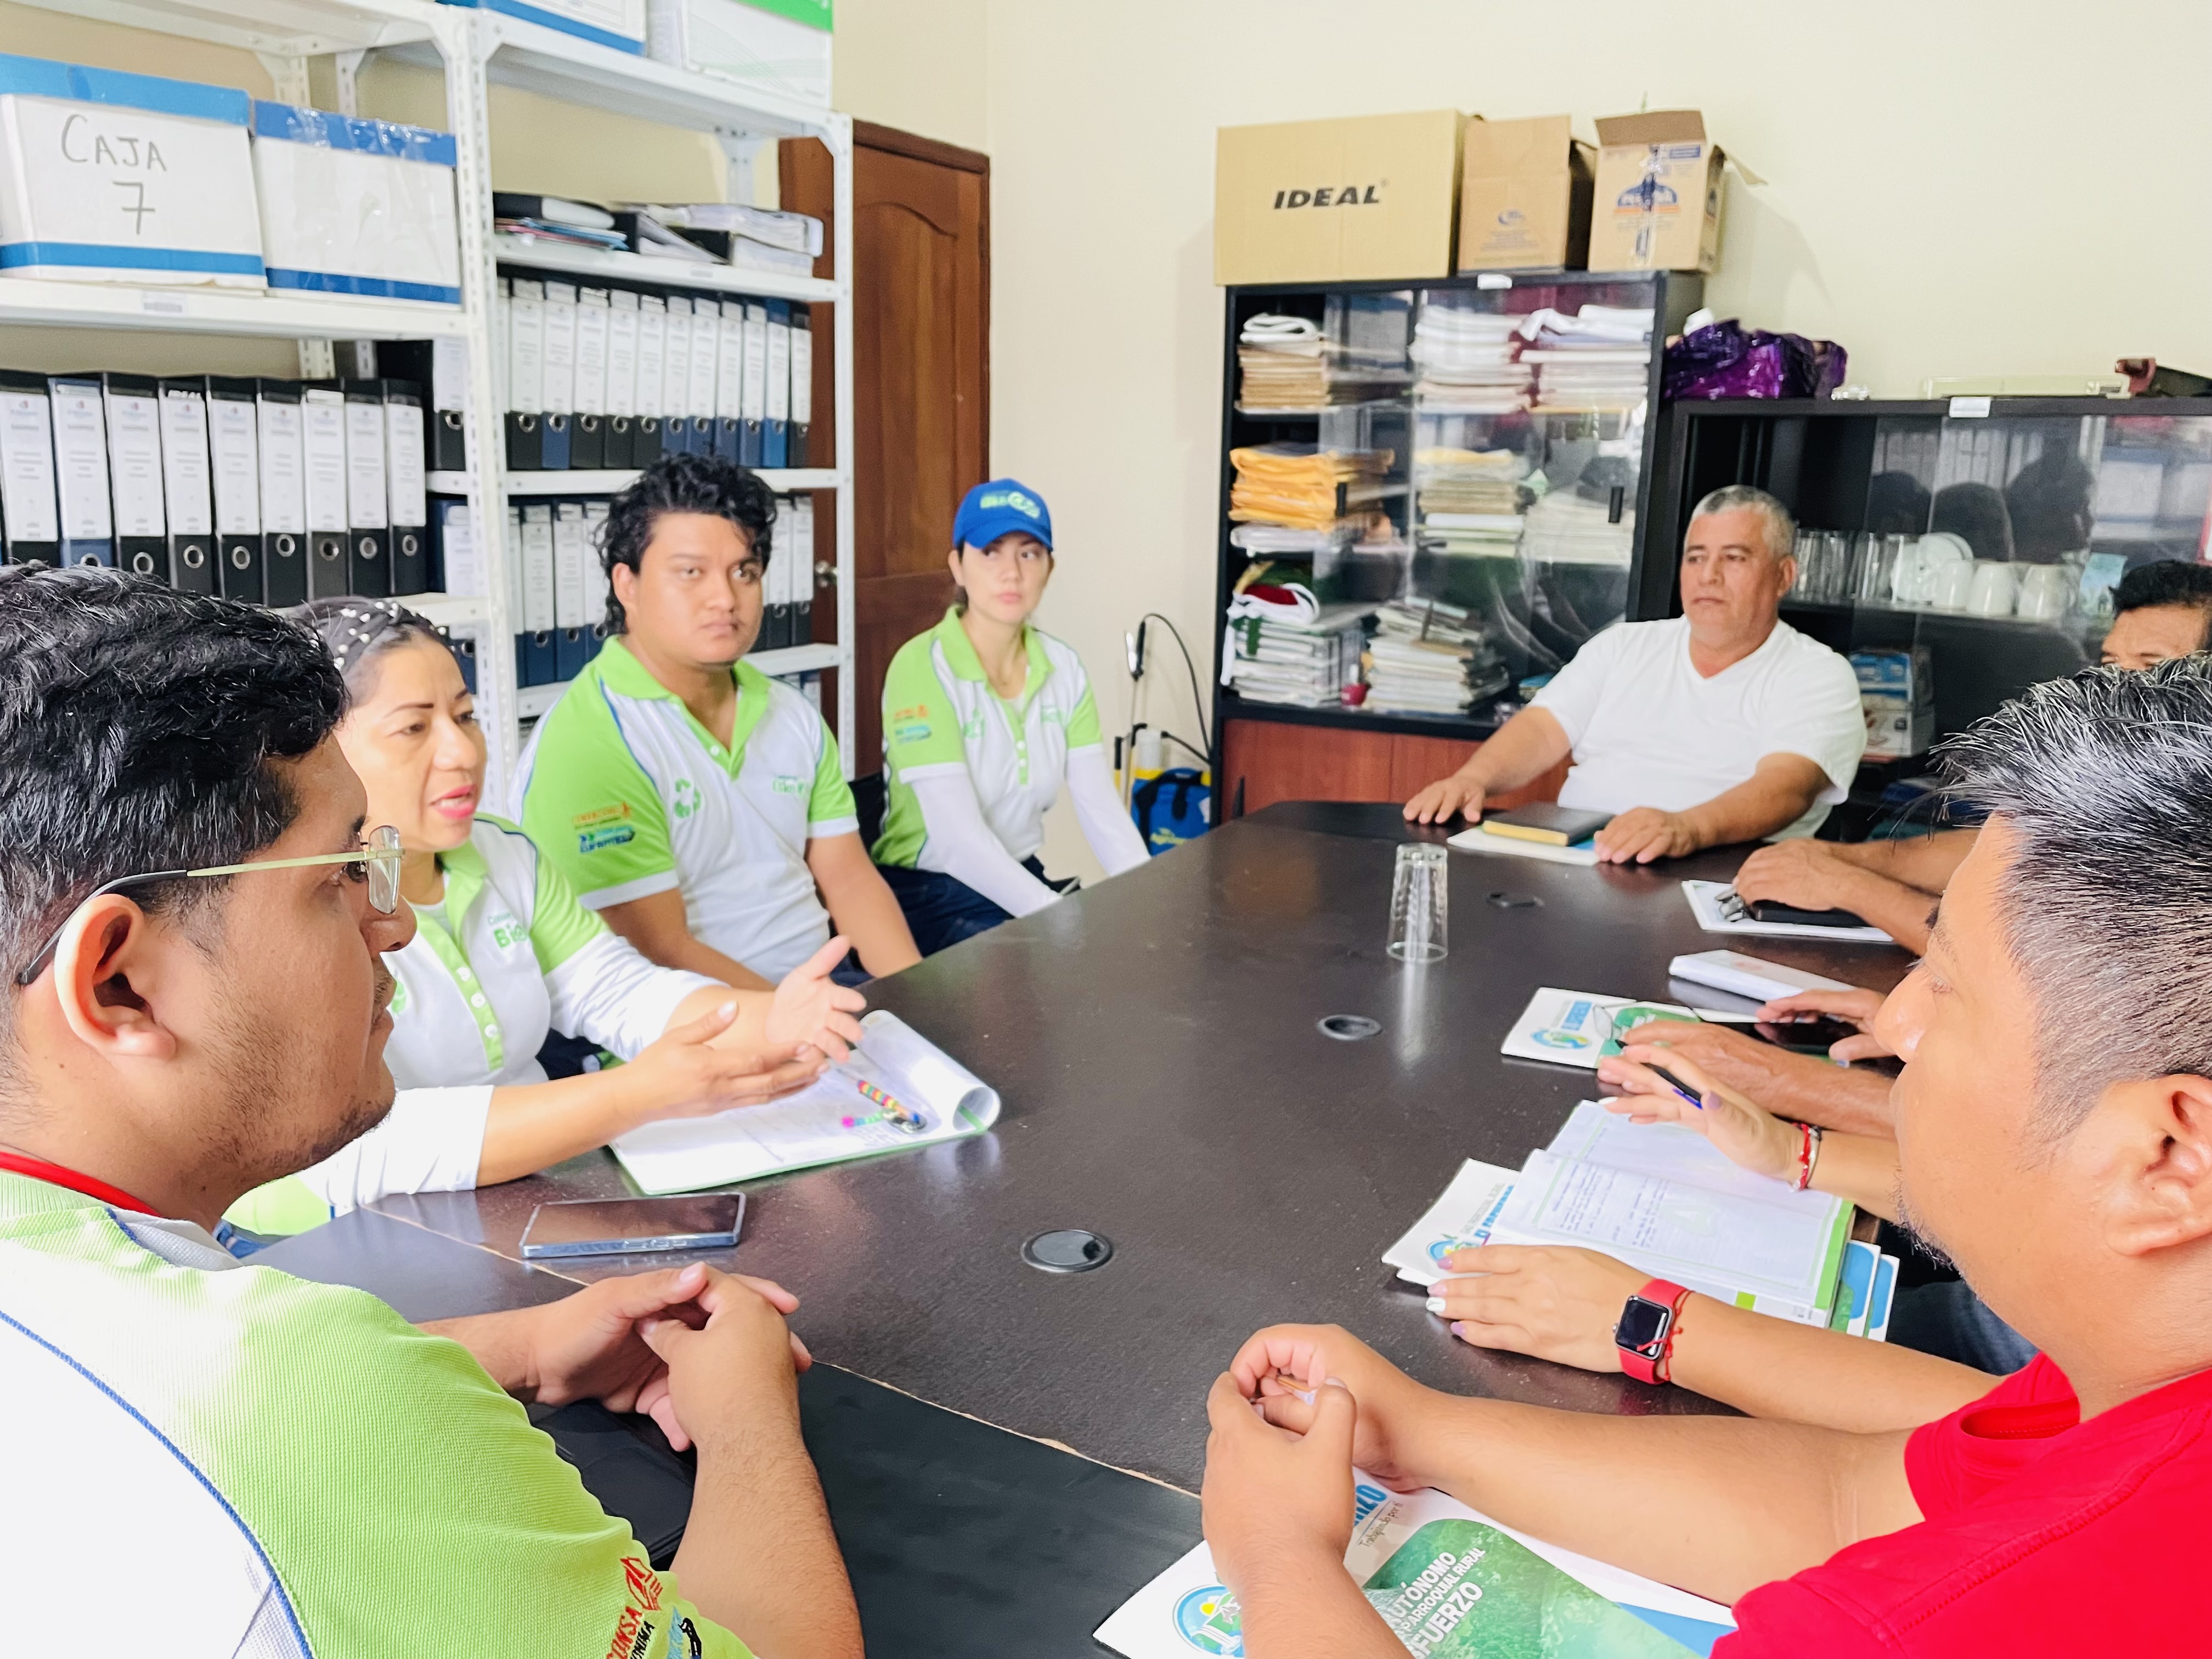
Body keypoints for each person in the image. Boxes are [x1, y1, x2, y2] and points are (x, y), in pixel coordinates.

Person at [1205, 658, 2212, 1656]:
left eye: (1946, 986)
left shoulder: (1941, 1621)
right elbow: (1857, 1498)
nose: (1896, 1019)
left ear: (2170, 1161)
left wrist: (1279, 1556)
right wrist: (1420, 1429)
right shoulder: (2129, 1385)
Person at [0, 567, 861, 1658]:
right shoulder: (319, 1408)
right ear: (119, 983)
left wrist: (522, 1344)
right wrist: (745, 1418)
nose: (393, 923)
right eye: (339, 876)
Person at [229, 599, 869, 1232]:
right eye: (414, 729)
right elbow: (361, 1147)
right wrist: (632, 1096)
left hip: (522, 1198)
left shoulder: (503, 853)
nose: (462, 752)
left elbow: (617, 992)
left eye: (466, 717)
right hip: (347, 1240)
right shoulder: (284, 908)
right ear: (322, 752)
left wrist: (770, 1018)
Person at [518, 453, 920, 984]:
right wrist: (803, 1019)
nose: (725, 599)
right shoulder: (588, 739)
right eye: (691, 573)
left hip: (820, 992)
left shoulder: (791, 713)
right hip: (691, 1017)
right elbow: (659, 950)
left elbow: (849, 881)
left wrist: (914, 1001)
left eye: (744, 572)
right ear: (627, 585)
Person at [1733, 557, 2212, 951]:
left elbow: (2021, 968)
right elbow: (2010, 849)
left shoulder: (2189, 814)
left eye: (2152, 667)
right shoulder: (2120, 771)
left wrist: (1848, 886)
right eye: (2110, 664)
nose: (2114, 687)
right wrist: (1841, 858)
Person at [1404, 486, 1865, 862]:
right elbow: (1542, 728)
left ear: (1784, 575)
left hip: (1721, 875)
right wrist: (1472, 780)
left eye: (1734, 558)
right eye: (1696, 557)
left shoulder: (1817, 673)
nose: (1708, 575)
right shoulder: (1624, 646)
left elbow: (1787, 789)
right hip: (1579, 860)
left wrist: (1686, 828)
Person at [870, 478, 1151, 953]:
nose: (1012, 573)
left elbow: (1100, 808)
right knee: (1067, 970)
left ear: (1049, 568)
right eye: (991, 552)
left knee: (1132, 953)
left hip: (1018, 876)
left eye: (1029, 553)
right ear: (958, 565)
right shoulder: (922, 667)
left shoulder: (1062, 667)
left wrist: (1153, 899)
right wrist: (1059, 920)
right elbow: (958, 844)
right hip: (931, 894)